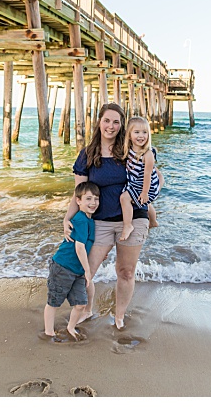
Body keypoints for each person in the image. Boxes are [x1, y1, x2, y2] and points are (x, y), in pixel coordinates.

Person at [64, 103, 151, 330]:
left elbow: (151, 175)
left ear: (122, 125)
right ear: (99, 122)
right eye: (106, 120)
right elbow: (79, 194)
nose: (110, 126)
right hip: (100, 220)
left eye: (116, 122)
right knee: (86, 271)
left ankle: (119, 316)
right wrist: (67, 219)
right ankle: (86, 310)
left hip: (131, 219)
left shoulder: (130, 151)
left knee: (126, 271)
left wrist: (152, 195)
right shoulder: (88, 154)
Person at [44, 181, 99, 341]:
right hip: (63, 266)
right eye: (88, 199)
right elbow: (79, 248)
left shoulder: (90, 221)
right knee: (54, 301)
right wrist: (88, 272)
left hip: (77, 270)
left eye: (96, 199)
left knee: (81, 303)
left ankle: (71, 327)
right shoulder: (81, 219)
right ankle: (49, 332)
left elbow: (88, 245)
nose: (93, 203)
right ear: (78, 201)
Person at [119, 116, 161, 241]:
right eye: (136, 132)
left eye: (145, 132)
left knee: (124, 198)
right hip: (137, 181)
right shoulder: (130, 149)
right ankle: (153, 222)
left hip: (146, 185)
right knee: (144, 203)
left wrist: (144, 192)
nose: (141, 136)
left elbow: (148, 174)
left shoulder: (147, 154)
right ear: (129, 135)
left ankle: (128, 225)